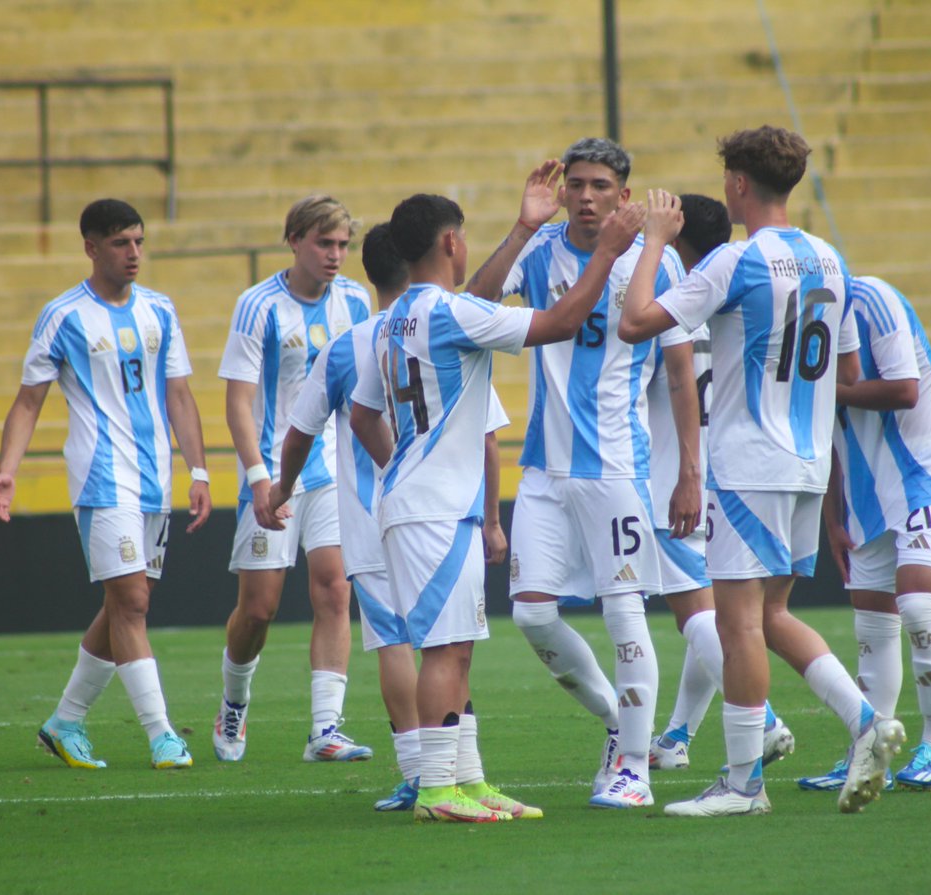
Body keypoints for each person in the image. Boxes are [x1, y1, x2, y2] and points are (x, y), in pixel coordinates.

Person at [618, 125, 905, 818]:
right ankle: (868, 721)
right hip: (807, 460)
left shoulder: (734, 261)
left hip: (749, 463)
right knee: (772, 614)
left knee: (738, 622)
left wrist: (655, 239)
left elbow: (634, 323)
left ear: (739, 184)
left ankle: (743, 785)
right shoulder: (831, 261)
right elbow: (848, 375)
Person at [351, 192, 646, 823]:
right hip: (434, 505)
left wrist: (521, 229)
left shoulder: (400, 318)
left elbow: (362, 410)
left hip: (430, 502)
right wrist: (611, 251)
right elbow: (562, 321)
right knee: (442, 649)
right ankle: (436, 791)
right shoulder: (451, 315)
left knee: (457, 647)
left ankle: (469, 781)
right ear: (451, 244)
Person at [263, 223, 512, 812]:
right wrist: (494, 517)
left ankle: (420, 774)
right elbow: (488, 436)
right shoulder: (439, 327)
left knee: (397, 644)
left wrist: (281, 490)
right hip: (441, 509)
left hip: (369, 516)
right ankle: (444, 779)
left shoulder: (346, 345)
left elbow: (301, 433)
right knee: (449, 644)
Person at [465, 139, 682, 809]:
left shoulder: (658, 260)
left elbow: (678, 368)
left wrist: (691, 471)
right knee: (531, 615)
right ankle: (623, 722)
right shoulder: (539, 251)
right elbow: (471, 307)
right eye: (577, 184)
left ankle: (636, 770)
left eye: (601, 185)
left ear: (625, 195)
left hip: (618, 466)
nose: (586, 195)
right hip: (545, 470)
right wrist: (524, 224)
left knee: (624, 613)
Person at [0, 198, 211, 770]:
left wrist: (199, 470)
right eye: (120, 243)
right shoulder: (63, 316)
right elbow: (28, 402)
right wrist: (7, 470)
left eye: (138, 241)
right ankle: (163, 735)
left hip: (154, 482)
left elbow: (179, 395)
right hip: (101, 480)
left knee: (124, 606)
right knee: (132, 603)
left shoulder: (160, 310)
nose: (134, 253)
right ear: (91, 247)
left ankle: (64, 722)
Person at [213, 195, 373, 763]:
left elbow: (363, 390)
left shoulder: (355, 301)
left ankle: (325, 729)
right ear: (295, 241)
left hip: (333, 471)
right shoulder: (257, 306)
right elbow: (238, 401)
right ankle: (234, 704)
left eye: (342, 245)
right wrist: (258, 478)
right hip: (273, 475)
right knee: (259, 609)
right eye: (324, 244)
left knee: (334, 589)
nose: (335, 256)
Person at [798, 274, 931, 792]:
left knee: (916, 604)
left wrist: (829, 389)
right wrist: (833, 515)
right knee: (872, 625)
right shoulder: (806, 321)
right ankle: (870, 755)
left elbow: (905, 390)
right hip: (863, 495)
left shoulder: (874, 300)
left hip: (924, 478)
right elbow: (821, 430)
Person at [646, 195, 795, 773]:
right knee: (713, 612)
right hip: (731, 476)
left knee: (700, 618)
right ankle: (679, 735)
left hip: (676, 478)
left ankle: (763, 721)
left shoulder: (675, 305)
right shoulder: (735, 303)